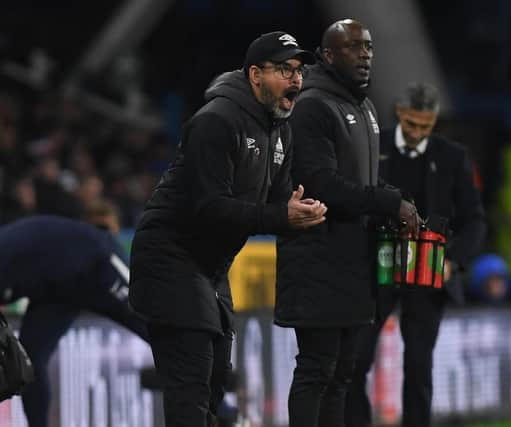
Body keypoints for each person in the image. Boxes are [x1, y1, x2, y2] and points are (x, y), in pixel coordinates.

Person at [128, 31, 327, 426]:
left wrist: (307, 215)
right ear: (255, 74)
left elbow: (278, 205)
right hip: (169, 258)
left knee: (217, 379)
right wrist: (282, 217)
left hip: (211, 266)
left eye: (299, 71)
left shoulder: (280, 131)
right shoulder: (216, 122)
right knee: (192, 387)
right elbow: (210, 208)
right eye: (284, 70)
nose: (296, 80)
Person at [274, 20, 421, 427]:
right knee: (317, 369)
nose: (365, 54)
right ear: (328, 55)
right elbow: (321, 185)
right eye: (353, 47)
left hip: (354, 259)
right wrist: (388, 201)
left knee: (342, 373)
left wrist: (398, 198)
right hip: (316, 257)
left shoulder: (365, 107)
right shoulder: (312, 106)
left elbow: (364, 183)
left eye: (369, 47)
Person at [345, 83, 486, 427]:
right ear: (399, 115)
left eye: (425, 126)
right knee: (353, 364)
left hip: (429, 273)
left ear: (433, 122)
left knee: (419, 367)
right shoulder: (374, 146)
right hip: (378, 271)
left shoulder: (452, 157)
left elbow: (475, 219)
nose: (416, 133)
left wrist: (455, 261)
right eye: (411, 125)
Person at [0, 200, 147, 427]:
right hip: (54, 290)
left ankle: (215, 400)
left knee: (156, 330)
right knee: (31, 360)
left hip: (96, 264)